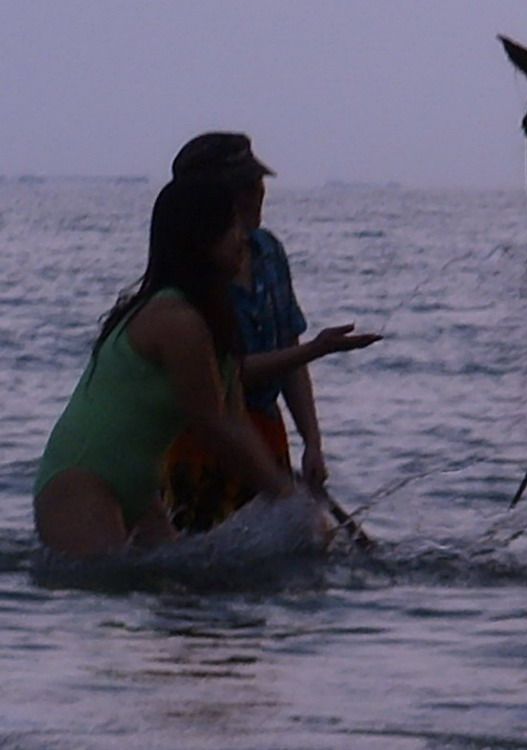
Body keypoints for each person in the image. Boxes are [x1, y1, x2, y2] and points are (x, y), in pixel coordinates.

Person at [34, 180, 293, 556]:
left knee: (179, 598)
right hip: (81, 480)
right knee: (108, 589)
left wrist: (287, 494)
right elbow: (212, 425)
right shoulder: (175, 317)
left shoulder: (212, 319)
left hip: (140, 490)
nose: (244, 238)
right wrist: (286, 498)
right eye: (232, 228)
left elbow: (235, 418)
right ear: (201, 241)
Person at [163, 133, 380, 531]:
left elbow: (289, 357)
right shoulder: (187, 283)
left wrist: (312, 443)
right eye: (245, 187)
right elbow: (226, 375)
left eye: (257, 183)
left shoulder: (270, 253)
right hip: (206, 442)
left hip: (267, 433)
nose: (258, 194)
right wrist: (318, 349)